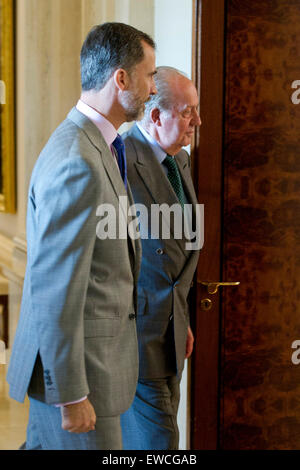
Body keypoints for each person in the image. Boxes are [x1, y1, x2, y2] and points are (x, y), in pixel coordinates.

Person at [6, 22, 157, 450]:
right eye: (149, 75)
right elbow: (55, 289)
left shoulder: (99, 144)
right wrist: (71, 396)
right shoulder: (79, 159)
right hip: (80, 380)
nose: (152, 89)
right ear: (121, 78)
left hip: (94, 368)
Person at [120, 66, 201, 450]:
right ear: (155, 116)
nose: (196, 122)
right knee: (161, 442)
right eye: (188, 112)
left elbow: (177, 254)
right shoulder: (118, 159)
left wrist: (179, 316)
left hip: (172, 334)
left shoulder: (179, 160)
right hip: (134, 338)